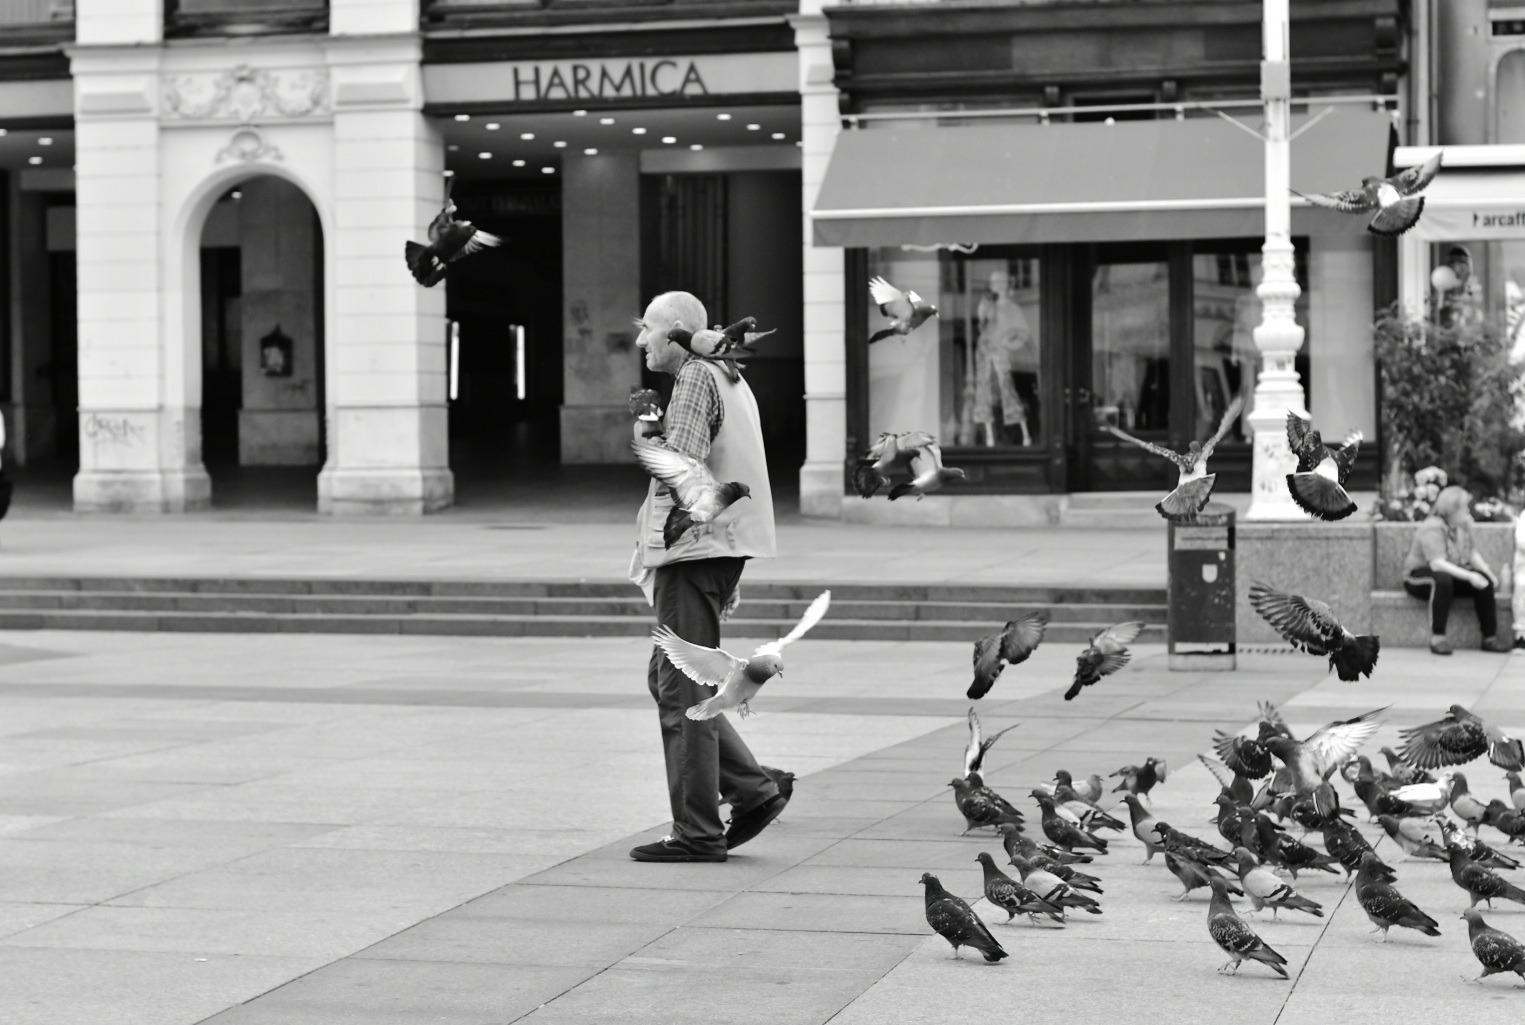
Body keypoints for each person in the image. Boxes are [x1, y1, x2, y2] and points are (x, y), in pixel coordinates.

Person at [626, 290, 787, 863]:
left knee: (680, 688)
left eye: (647, 329)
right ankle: (749, 787)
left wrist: (646, 441)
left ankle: (698, 830)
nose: (641, 340)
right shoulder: (727, 377)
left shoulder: (696, 377)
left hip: (694, 554)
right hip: (716, 551)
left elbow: (686, 462)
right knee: (670, 678)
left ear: (674, 329)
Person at [1402, 485, 1509, 655]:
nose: (1468, 510)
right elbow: (1437, 564)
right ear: (1452, 509)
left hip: (1448, 573)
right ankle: (1438, 638)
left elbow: (1473, 553)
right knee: (1442, 580)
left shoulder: (1464, 524)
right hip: (1419, 575)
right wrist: (1469, 576)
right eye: (1464, 507)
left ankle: (1490, 637)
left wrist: (1488, 574)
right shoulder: (1432, 527)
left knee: (1483, 581)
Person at [972, 269, 1035, 447]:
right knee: (984, 391)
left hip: (1003, 354)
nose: (997, 287)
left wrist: (1008, 343)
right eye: (994, 283)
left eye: (1001, 283)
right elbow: (983, 328)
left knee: (1008, 389)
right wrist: (983, 314)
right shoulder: (989, 305)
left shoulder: (1013, 308)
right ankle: (990, 436)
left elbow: (1022, 333)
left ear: (1007, 285)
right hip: (986, 352)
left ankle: (1025, 433)